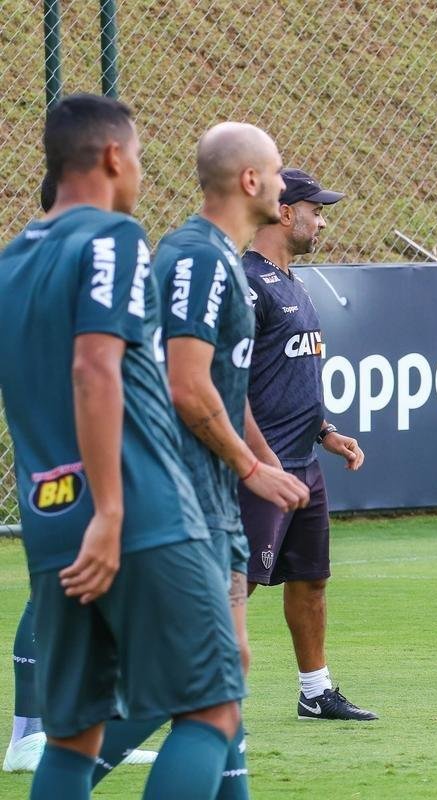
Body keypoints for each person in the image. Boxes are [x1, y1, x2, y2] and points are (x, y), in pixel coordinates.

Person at [0, 93, 244, 799]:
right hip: (135, 513)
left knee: (73, 736)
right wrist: (111, 509)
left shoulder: (13, 258)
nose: (138, 172)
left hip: (51, 521)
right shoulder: (114, 238)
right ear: (113, 157)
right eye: (137, 158)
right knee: (211, 707)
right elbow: (93, 366)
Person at [151, 122, 312, 794]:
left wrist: (262, 460)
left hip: (216, 497)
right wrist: (251, 468)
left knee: (230, 668)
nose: (283, 185)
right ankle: (66, 761)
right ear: (251, 182)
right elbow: (186, 385)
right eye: (276, 172)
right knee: (207, 689)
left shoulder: (225, 261)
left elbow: (226, 384)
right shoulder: (194, 258)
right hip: (182, 497)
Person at [4, 174, 158, 778]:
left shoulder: (22, 261)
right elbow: (97, 370)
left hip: (53, 462)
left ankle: (63, 735)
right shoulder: (96, 254)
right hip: (85, 460)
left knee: (71, 591)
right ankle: (33, 736)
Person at [240, 167, 375, 721]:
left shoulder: (294, 281)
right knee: (234, 587)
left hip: (304, 463)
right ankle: (188, 694)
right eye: (313, 209)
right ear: (281, 210)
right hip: (259, 466)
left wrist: (326, 432)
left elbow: (291, 376)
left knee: (311, 578)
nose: (320, 219)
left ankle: (315, 691)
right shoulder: (247, 283)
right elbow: (227, 382)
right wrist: (261, 462)